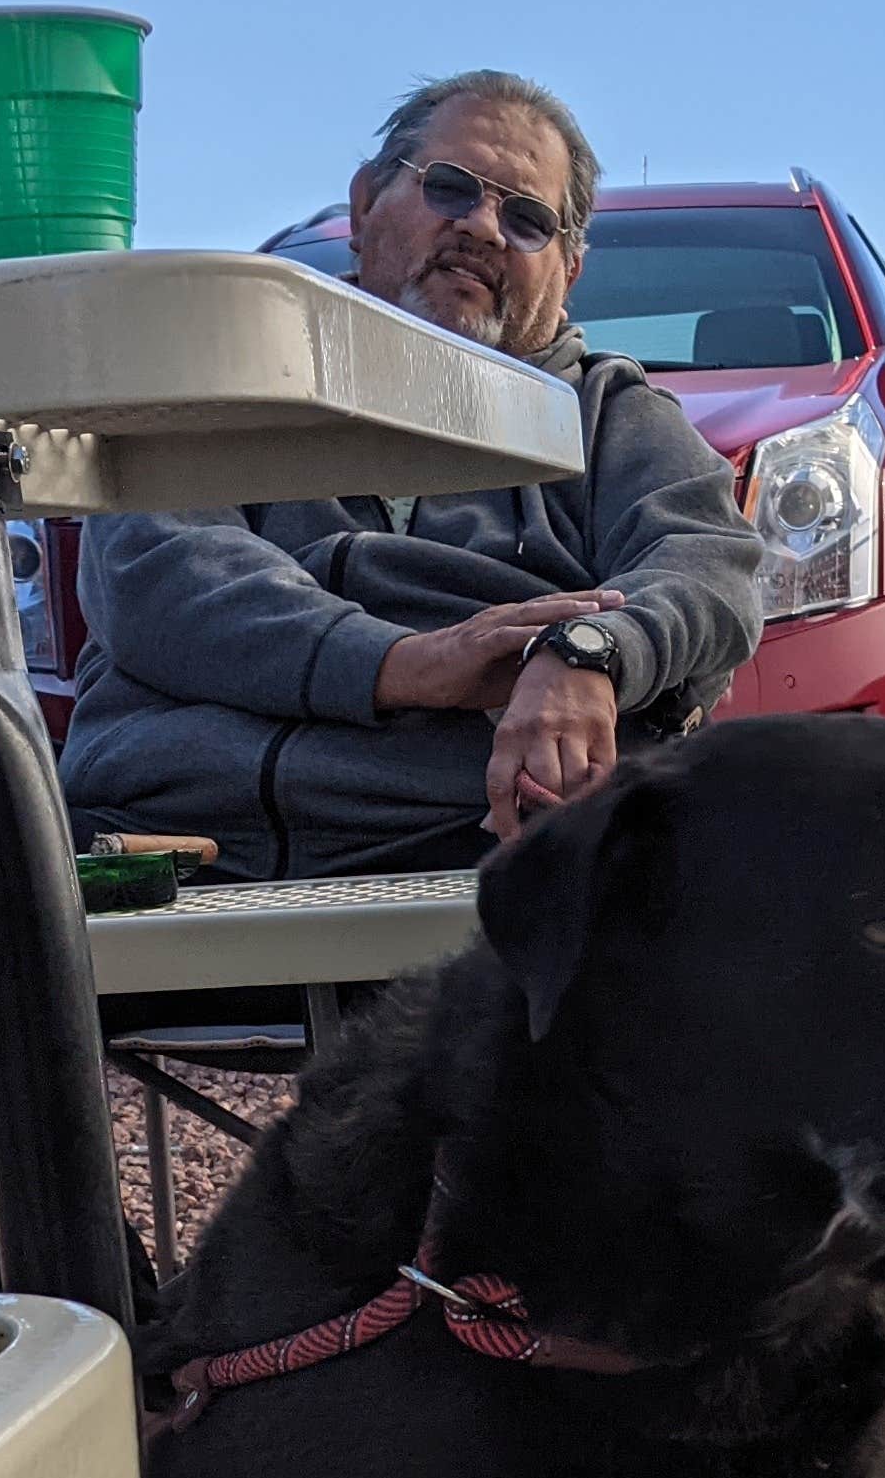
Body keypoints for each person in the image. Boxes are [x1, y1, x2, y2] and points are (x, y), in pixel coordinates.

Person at [57, 71, 766, 877]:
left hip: (487, 872)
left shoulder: (615, 417)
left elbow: (713, 569)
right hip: (184, 857)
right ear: (365, 205)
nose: (485, 229)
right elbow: (156, 573)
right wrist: (406, 668)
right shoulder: (225, 383)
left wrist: (588, 649)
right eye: (453, 189)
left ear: (570, 271)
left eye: (529, 219)